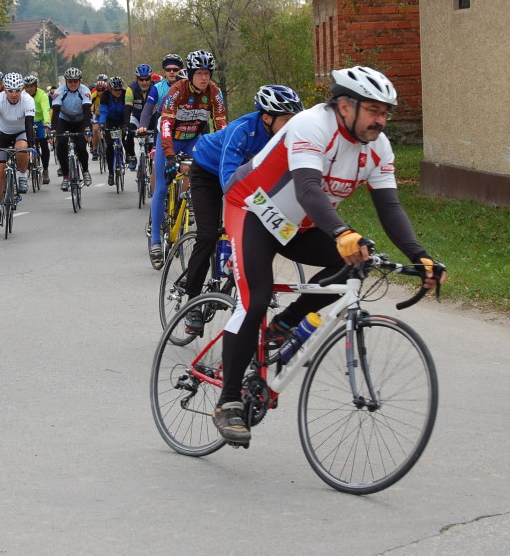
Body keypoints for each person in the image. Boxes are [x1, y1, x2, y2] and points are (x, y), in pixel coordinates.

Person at [211, 66, 447, 445]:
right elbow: (307, 188)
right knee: (254, 299)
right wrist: (342, 232)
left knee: (355, 258)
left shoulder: (377, 148)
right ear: (343, 105)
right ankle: (229, 402)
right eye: (373, 110)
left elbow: (389, 207)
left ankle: (284, 325)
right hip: (252, 208)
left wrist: (421, 257)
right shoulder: (311, 125)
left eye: (386, 112)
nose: (381, 121)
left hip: (296, 225)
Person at [182, 85, 304, 334]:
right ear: (267, 118)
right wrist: (258, 205)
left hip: (245, 179)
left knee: (265, 230)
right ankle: (192, 300)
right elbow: (229, 180)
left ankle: (250, 285)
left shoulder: (287, 136)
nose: (292, 125)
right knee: (207, 234)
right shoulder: (242, 130)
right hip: (208, 173)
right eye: (286, 119)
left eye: (295, 119)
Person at [149, 49, 228, 266]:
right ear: (191, 73)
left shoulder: (214, 92)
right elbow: (165, 125)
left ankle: (190, 203)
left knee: (203, 174)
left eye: (208, 73)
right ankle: (156, 240)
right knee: (162, 187)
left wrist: (225, 152)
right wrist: (169, 155)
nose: (205, 78)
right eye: (200, 73)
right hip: (170, 138)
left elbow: (221, 125)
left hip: (193, 138)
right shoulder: (177, 90)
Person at [0, 72, 35, 225]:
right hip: (3, 133)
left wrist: (32, 147)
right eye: (10, 91)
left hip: (21, 132)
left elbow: (29, 125)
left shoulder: (27, 100)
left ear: (22, 90)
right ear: (4, 90)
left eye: (17, 91)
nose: (14, 95)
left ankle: (22, 176)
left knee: (21, 147)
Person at [50, 67, 93, 191]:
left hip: (80, 120)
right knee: (61, 145)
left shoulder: (85, 91)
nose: (73, 84)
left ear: (80, 81)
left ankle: (85, 171)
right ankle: (65, 176)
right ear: (66, 81)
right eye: (70, 81)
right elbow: (56, 112)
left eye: (75, 81)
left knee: (81, 146)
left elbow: (87, 112)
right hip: (64, 120)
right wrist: (53, 129)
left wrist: (87, 128)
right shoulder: (59, 91)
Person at [96, 76, 132, 186]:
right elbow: (103, 111)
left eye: (119, 89)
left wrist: (127, 124)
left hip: (122, 119)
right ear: (110, 89)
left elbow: (128, 110)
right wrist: (102, 124)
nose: (117, 92)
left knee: (126, 136)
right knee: (110, 147)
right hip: (110, 120)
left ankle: (129, 154)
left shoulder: (126, 94)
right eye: (115, 90)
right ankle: (111, 172)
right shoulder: (105, 97)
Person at [127, 63, 160, 171]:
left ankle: (153, 168)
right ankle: (132, 157)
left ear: (151, 78)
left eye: (147, 79)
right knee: (127, 134)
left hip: (152, 118)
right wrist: (125, 125)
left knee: (152, 146)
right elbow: (127, 108)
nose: (144, 82)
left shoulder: (156, 88)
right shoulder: (131, 89)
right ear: (137, 79)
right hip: (136, 117)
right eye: (141, 79)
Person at [23, 75, 52, 185]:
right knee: (26, 144)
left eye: (32, 86)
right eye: (27, 86)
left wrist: (47, 123)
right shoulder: (23, 95)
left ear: (36, 86)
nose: (29, 89)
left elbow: (46, 109)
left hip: (40, 121)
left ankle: (45, 169)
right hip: (27, 121)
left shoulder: (42, 95)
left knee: (44, 145)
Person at [90, 73, 108, 161]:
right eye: (98, 90)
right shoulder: (94, 95)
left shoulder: (108, 95)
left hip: (107, 115)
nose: (100, 92)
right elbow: (88, 104)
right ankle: (95, 150)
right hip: (97, 115)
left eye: (102, 90)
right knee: (95, 129)